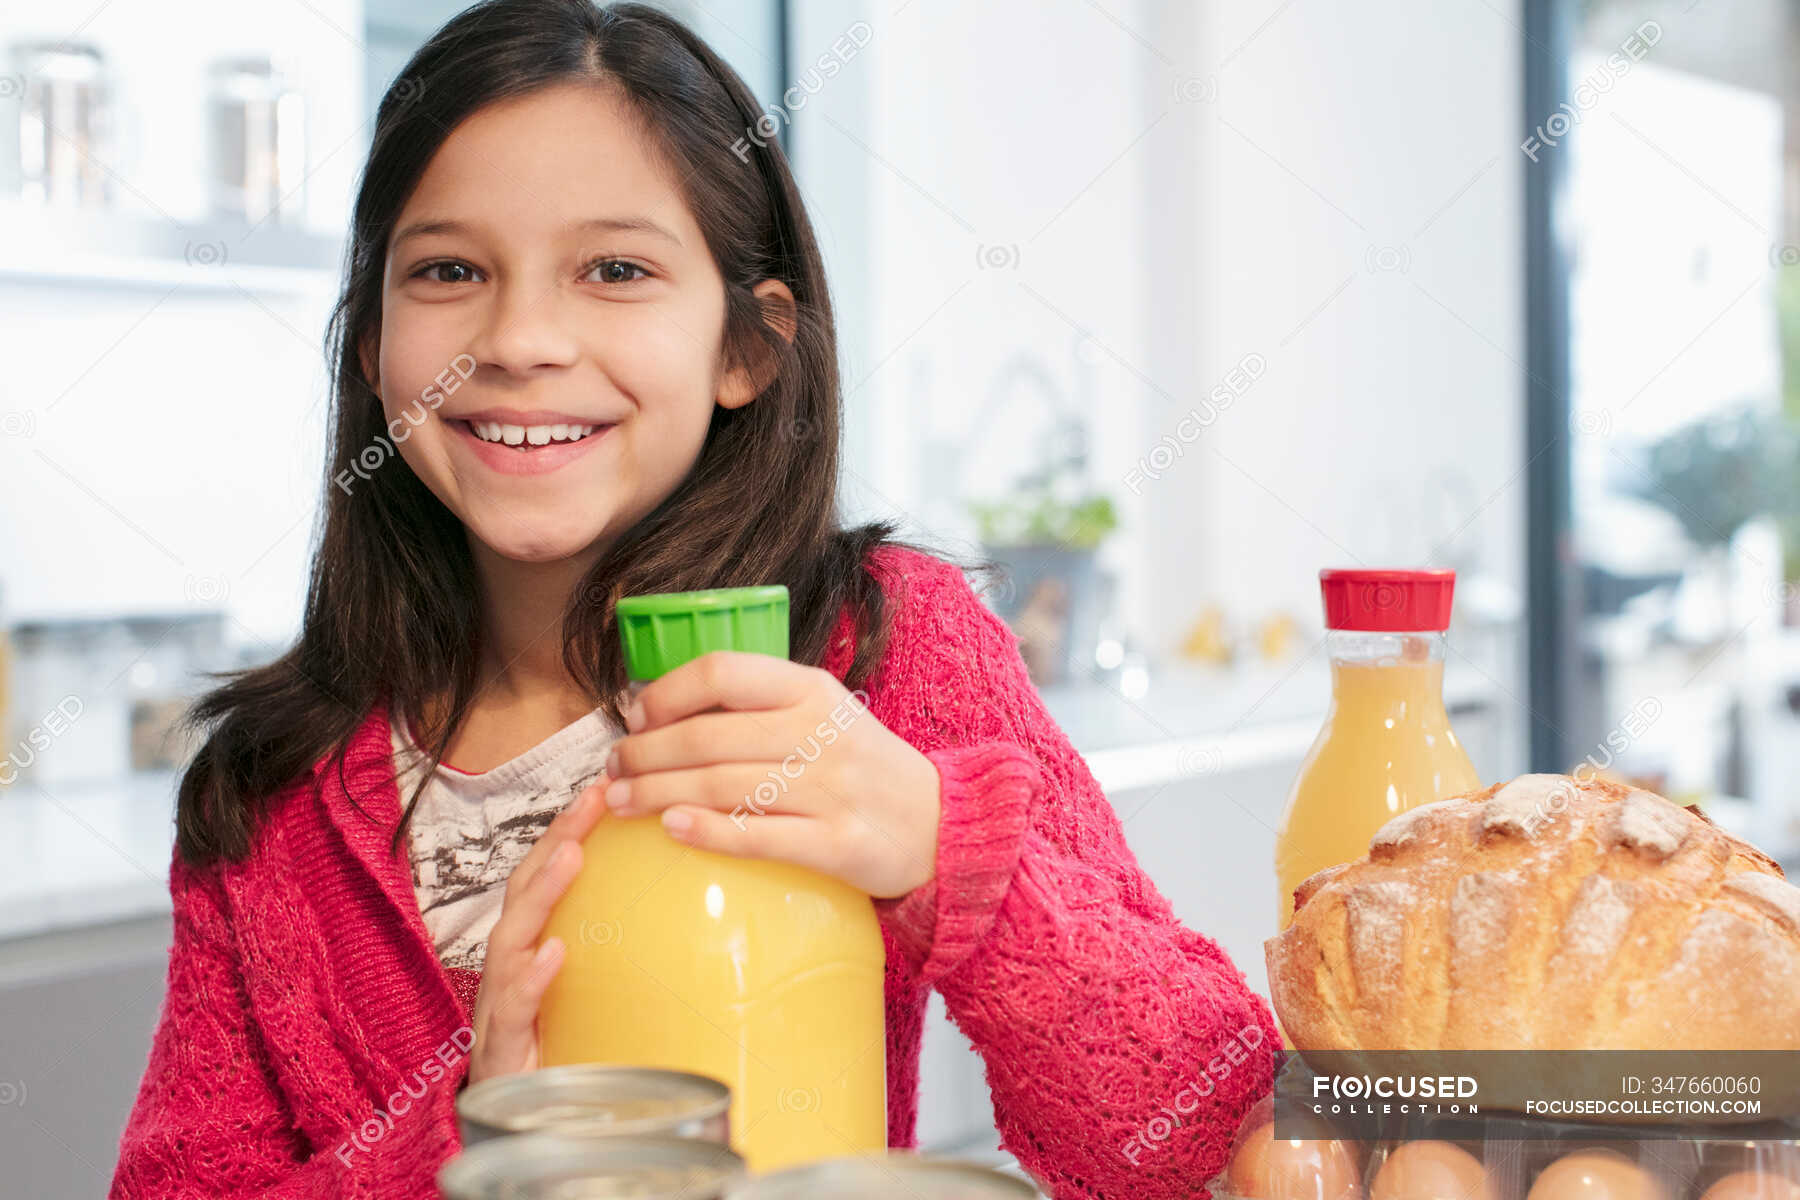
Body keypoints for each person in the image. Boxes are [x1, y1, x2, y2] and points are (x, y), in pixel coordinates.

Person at [109, 3, 1274, 1196]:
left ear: (748, 348)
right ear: (372, 341)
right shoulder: (270, 788)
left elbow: (1227, 1134)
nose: (519, 338)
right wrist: (467, 1134)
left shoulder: (877, 650)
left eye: (616, 270)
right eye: (449, 270)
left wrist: (952, 852)